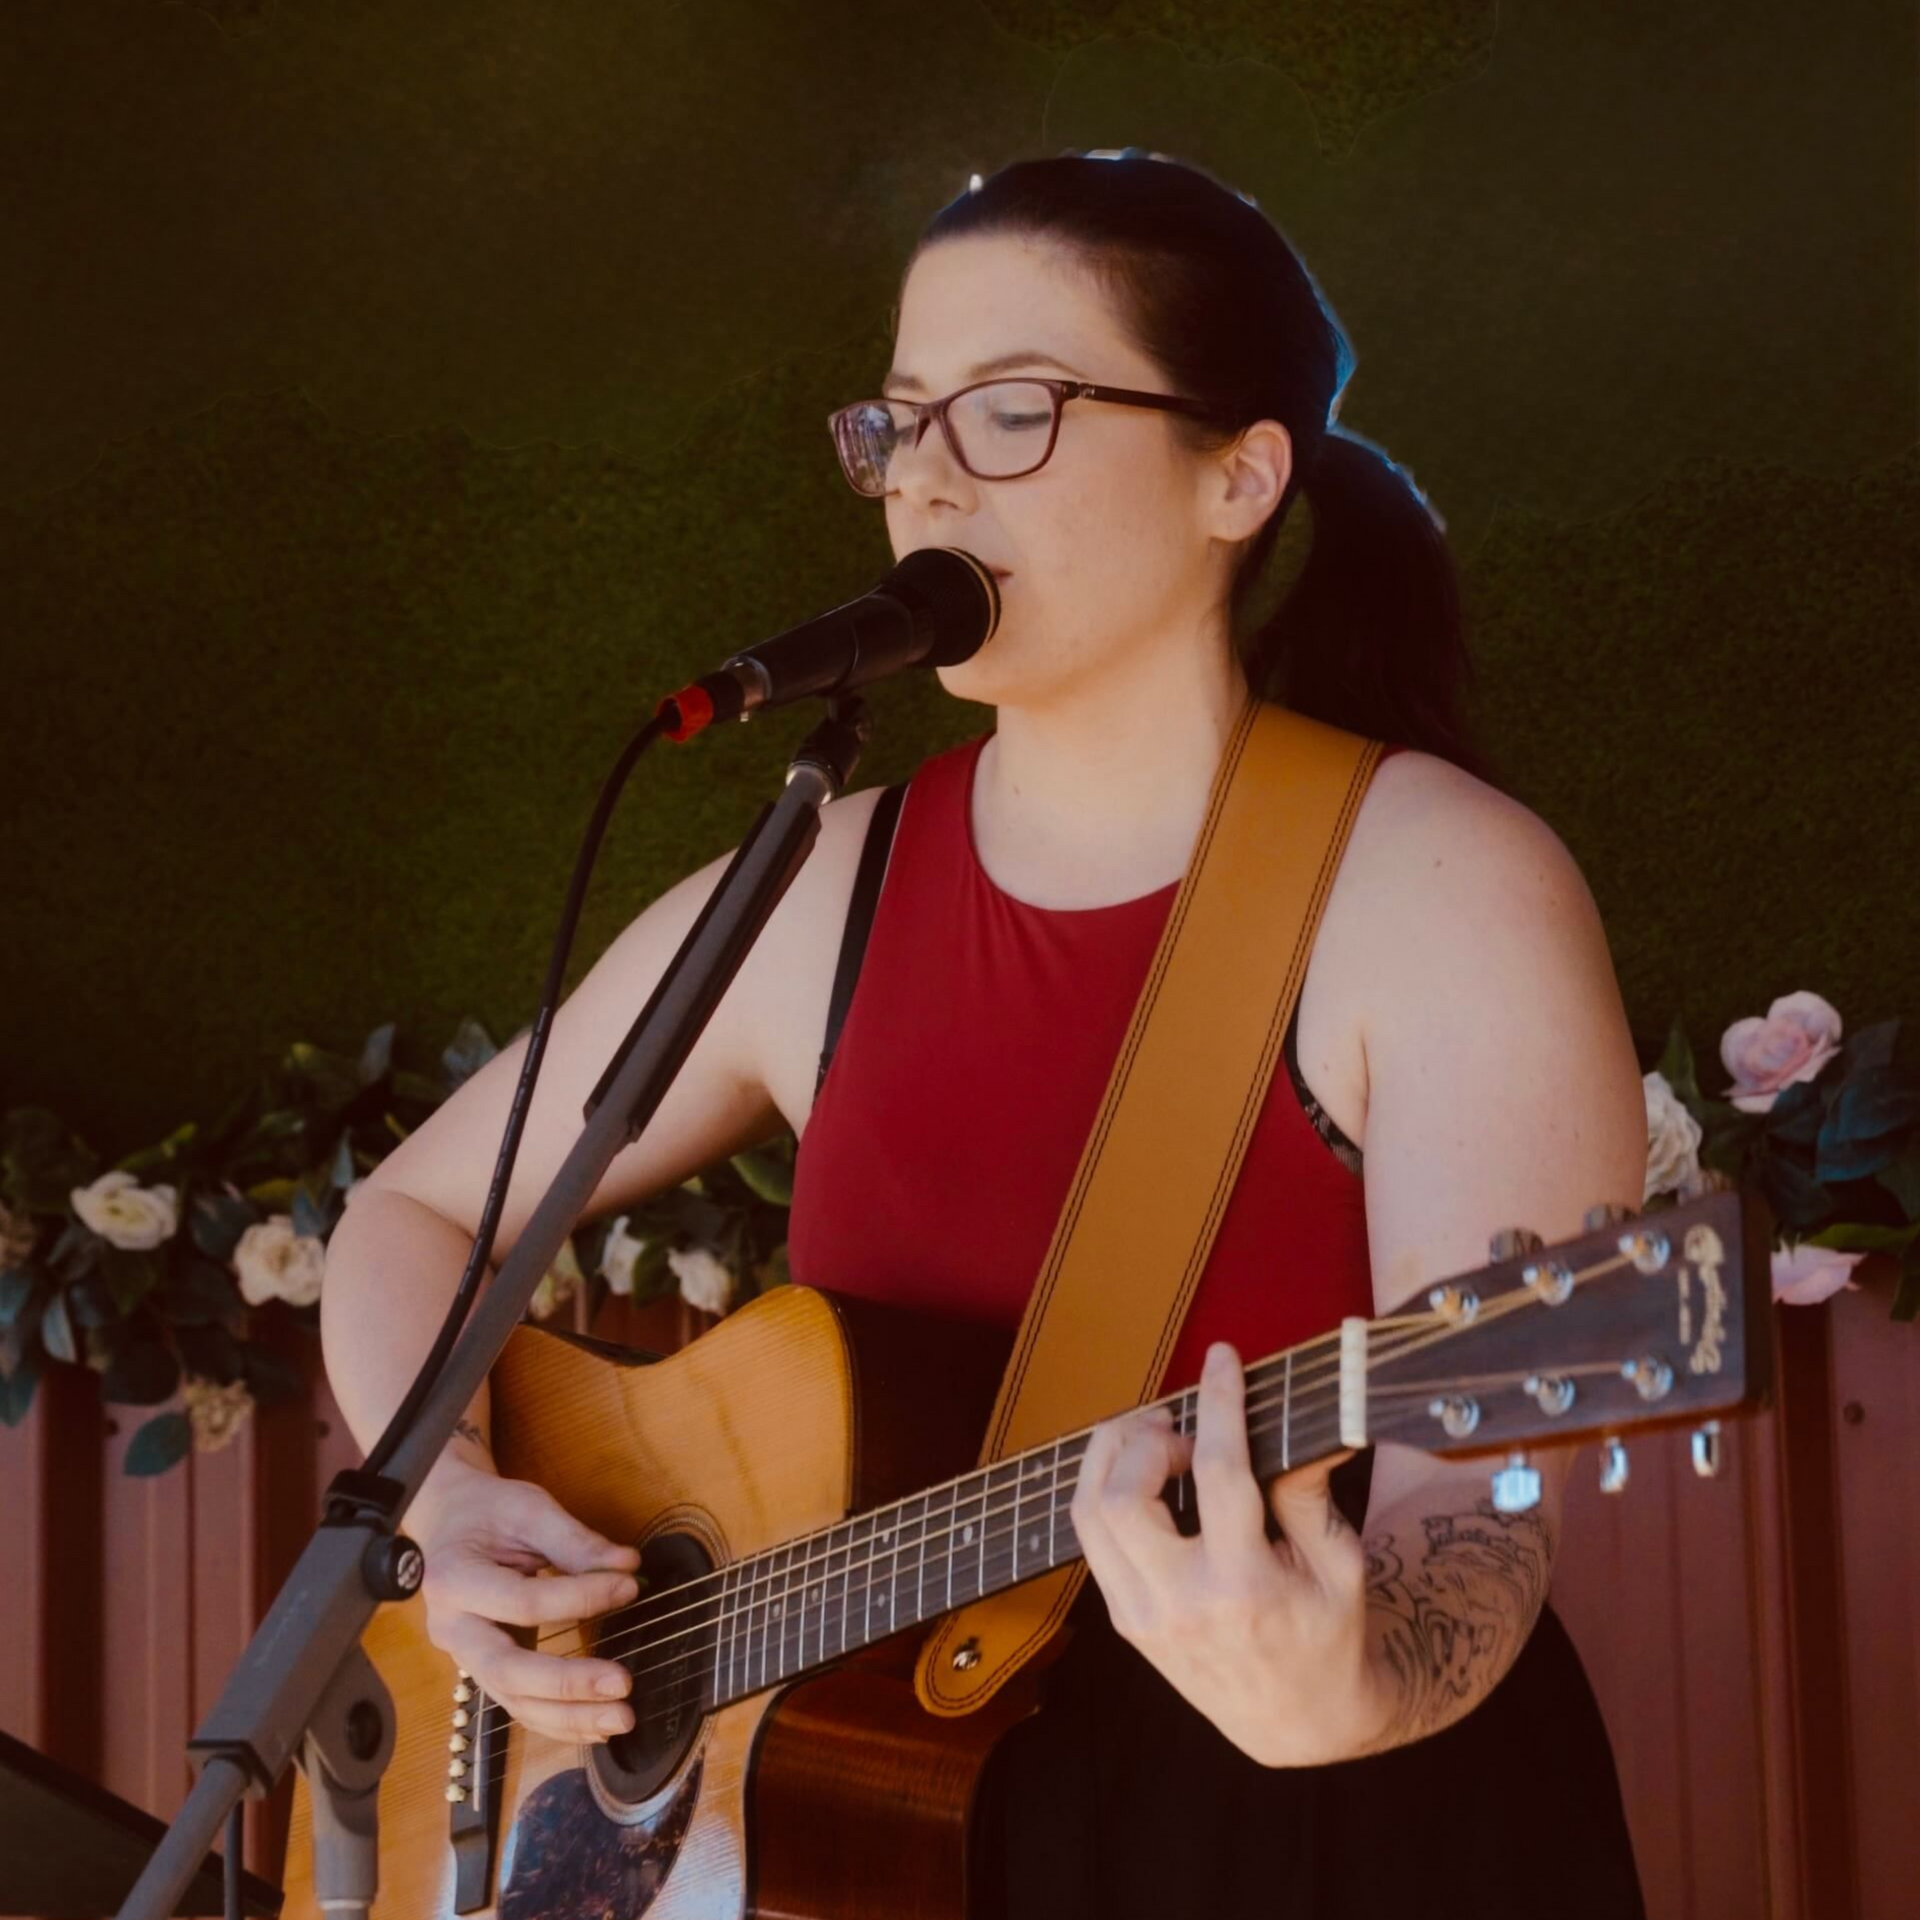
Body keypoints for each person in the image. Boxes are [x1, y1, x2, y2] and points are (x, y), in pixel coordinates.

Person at [320, 149, 1652, 1917]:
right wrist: (457, 1505)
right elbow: (411, 1218)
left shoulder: (1439, 885)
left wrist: (1348, 1681)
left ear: (1238, 475)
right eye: (898, 421)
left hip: (1311, 1836)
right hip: (869, 1843)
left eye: (1012, 411)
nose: (925, 477)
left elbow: (1470, 1523)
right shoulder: (818, 888)